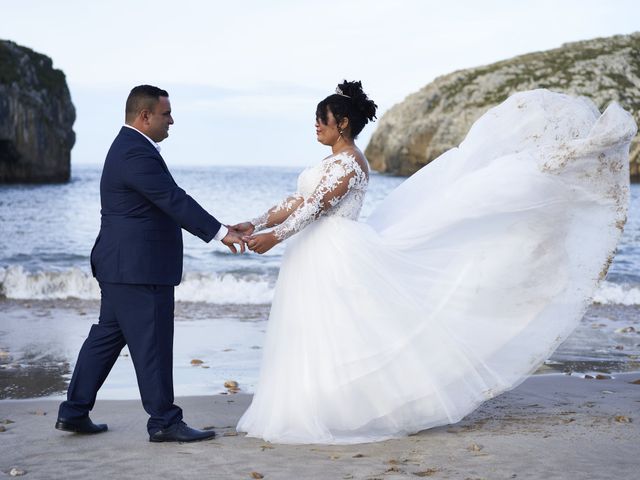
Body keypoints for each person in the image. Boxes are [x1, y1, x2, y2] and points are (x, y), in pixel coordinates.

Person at [233, 81, 637, 444]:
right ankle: (309, 402)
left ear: (341, 122)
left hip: (337, 253)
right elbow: (297, 202)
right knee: (310, 330)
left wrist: (277, 237)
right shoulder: (325, 164)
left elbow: (319, 206)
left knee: (341, 332)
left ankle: (340, 410)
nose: (315, 126)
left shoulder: (351, 163)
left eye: (320, 120)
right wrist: (257, 221)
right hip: (313, 256)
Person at [56, 85, 244, 443]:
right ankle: (164, 421)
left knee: (107, 337)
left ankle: (74, 411)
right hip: (138, 269)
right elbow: (172, 199)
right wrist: (220, 232)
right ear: (145, 116)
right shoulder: (134, 153)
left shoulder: (130, 148)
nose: (171, 120)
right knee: (152, 342)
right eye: (166, 113)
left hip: (122, 266)